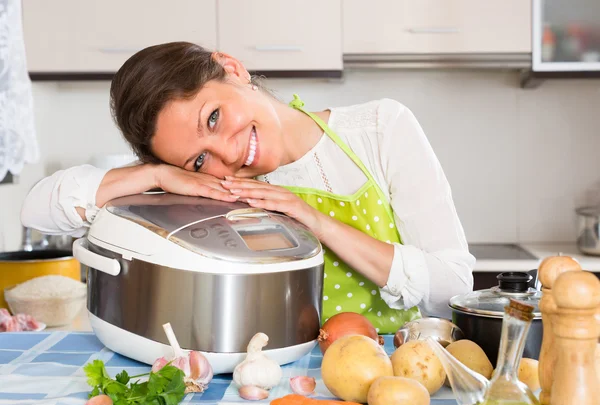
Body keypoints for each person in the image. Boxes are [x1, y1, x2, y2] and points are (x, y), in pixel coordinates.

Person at [20, 42, 475, 333]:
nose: (228, 154)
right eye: (198, 158)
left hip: (387, 375)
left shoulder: (379, 129)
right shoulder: (208, 187)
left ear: (232, 68)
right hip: (267, 386)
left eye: (213, 118)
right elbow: (38, 208)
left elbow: (452, 285)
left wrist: (318, 223)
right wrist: (157, 176)